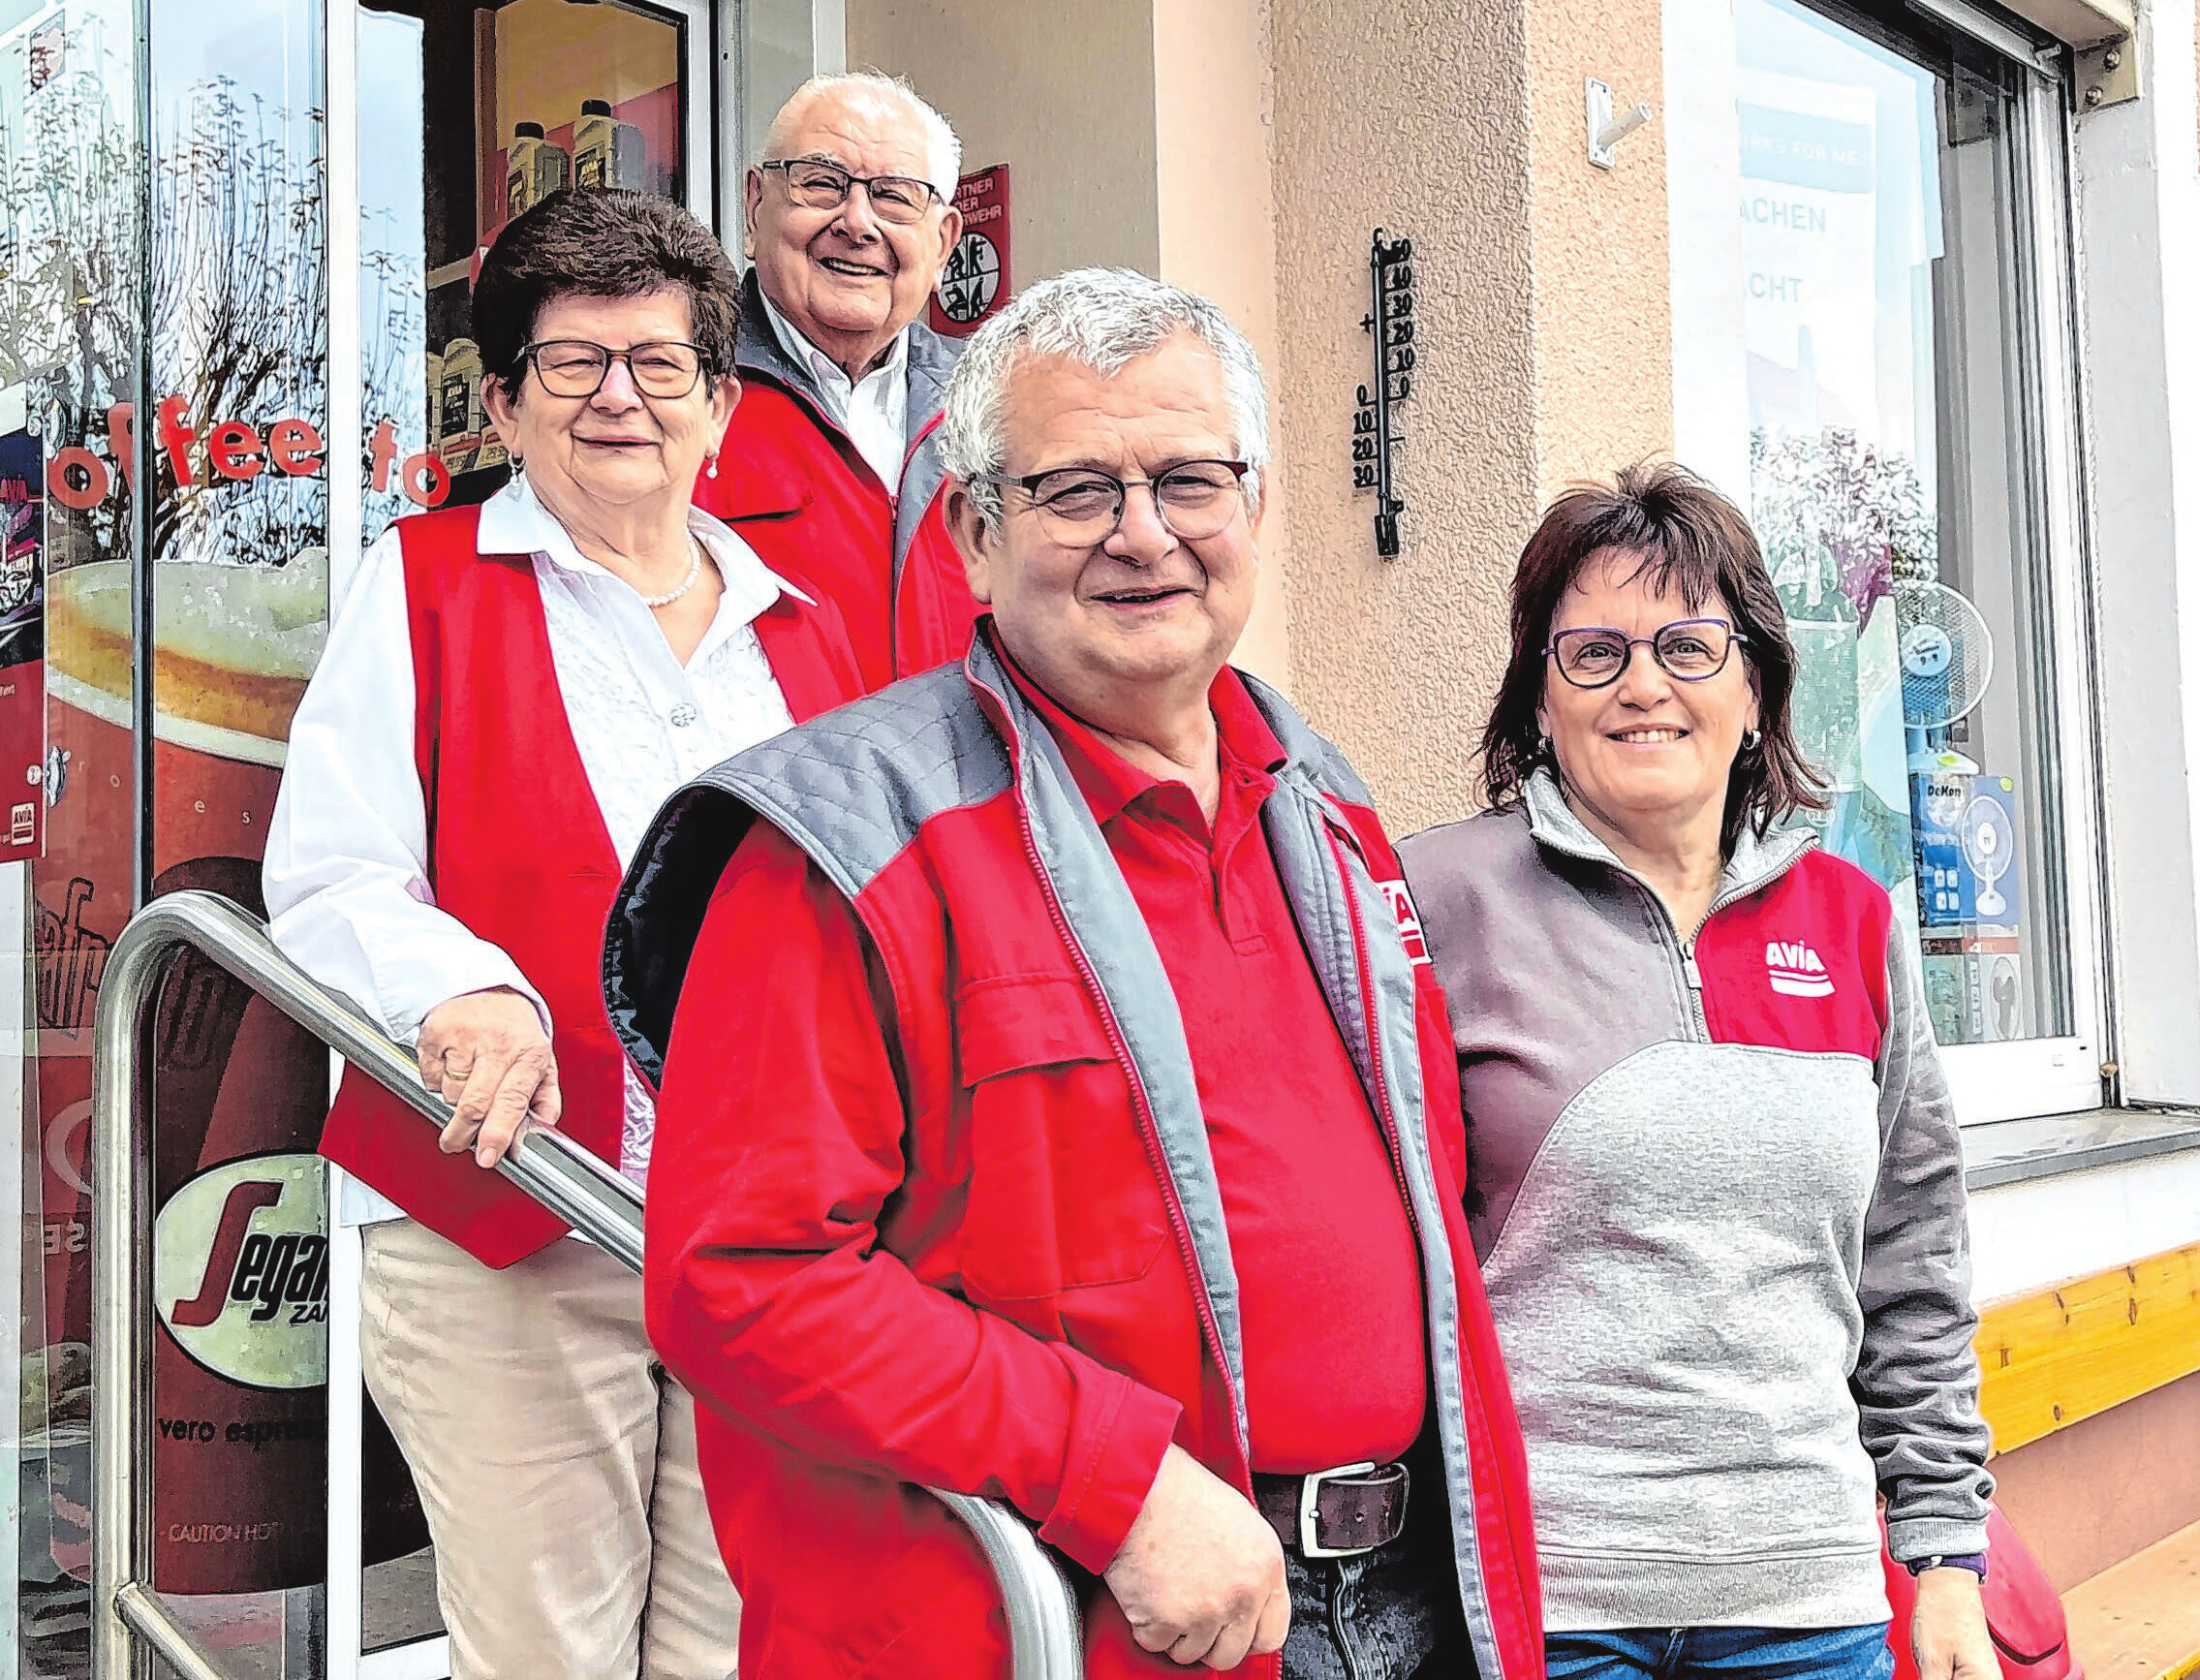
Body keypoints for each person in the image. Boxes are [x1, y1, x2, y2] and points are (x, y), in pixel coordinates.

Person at [604, 268, 1544, 1680]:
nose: (1145, 534)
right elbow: (740, 1277)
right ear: (975, 535)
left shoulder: (1328, 806)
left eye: (1188, 479)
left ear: (1256, 509)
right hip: (1065, 1612)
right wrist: (1120, 1479)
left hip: (1398, 1606)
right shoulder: (845, 842)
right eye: (1076, 490)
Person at [264, 188, 863, 1680]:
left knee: (743, 1646)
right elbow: (330, 874)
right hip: (511, 1222)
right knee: (550, 1657)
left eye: (660, 364)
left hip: (759, 1237)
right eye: (572, 362)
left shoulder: (808, 631)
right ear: (506, 405)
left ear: (719, 407)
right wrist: (467, 984)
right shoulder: (417, 583)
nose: (618, 397)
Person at [1396, 463, 1998, 1680]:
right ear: (1539, 698)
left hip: (1808, 1603)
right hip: (1544, 1603)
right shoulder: (1432, 900)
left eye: (1687, 645)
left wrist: (1943, 1560)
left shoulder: (1855, 921)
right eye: (1594, 654)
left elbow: (1912, 1267)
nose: (1643, 687)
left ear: (1756, 686)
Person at [698, 70, 979, 689]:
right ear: (754, 207)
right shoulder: (676, 389)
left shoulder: (994, 403)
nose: (857, 222)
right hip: (762, 781)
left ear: (942, 241)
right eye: (821, 184)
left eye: (896, 196)